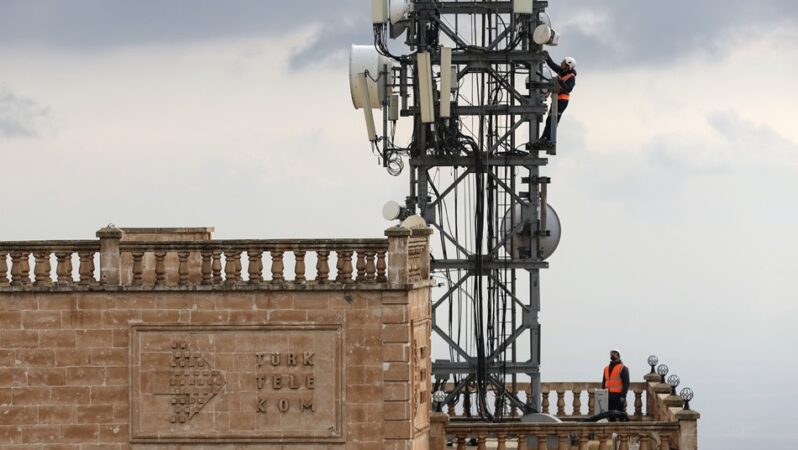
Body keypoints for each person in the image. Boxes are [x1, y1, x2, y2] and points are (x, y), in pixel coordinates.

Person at [538, 52, 577, 147]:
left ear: (568, 66)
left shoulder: (571, 77)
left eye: (563, 63)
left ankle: (548, 139)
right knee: (550, 119)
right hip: (557, 100)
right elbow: (552, 65)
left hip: (562, 101)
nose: (561, 63)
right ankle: (544, 138)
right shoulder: (562, 71)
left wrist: (560, 81)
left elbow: (569, 89)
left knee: (553, 120)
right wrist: (547, 56)